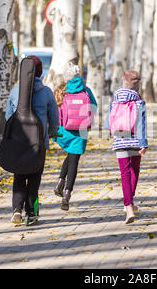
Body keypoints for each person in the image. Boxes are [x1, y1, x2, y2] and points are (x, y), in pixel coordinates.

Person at [5, 55, 59, 225]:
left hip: (19, 141)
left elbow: (8, 117)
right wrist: (52, 132)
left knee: (19, 175)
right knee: (35, 178)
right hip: (39, 143)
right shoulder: (46, 92)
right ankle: (32, 213)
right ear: (40, 71)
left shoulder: (15, 91)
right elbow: (54, 117)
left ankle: (16, 210)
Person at [53, 63, 98, 211]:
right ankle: (67, 193)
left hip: (64, 129)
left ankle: (60, 181)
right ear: (78, 76)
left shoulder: (62, 90)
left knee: (71, 155)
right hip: (81, 129)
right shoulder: (86, 90)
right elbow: (94, 106)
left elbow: (56, 108)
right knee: (74, 159)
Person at [105, 70, 148, 224]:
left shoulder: (115, 100)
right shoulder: (139, 102)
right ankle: (130, 201)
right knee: (134, 170)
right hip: (135, 140)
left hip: (120, 139)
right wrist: (143, 144)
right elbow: (142, 125)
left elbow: (107, 122)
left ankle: (128, 206)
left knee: (124, 173)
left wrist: (112, 134)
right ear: (137, 85)